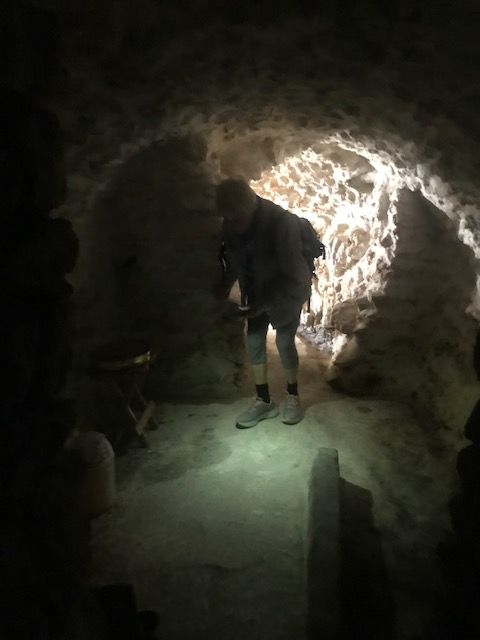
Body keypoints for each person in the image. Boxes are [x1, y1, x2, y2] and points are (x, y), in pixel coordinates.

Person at [214, 178, 312, 429]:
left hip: (287, 293)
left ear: (250, 207)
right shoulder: (232, 223)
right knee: (254, 342)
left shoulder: (282, 224)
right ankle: (264, 400)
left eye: (237, 219)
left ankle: (292, 395)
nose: (233, 225)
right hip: (256, 292)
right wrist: (226, 284)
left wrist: (263, 305)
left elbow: (296, 278)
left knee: (284, 343)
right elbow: (233, 257)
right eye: (229, 219)